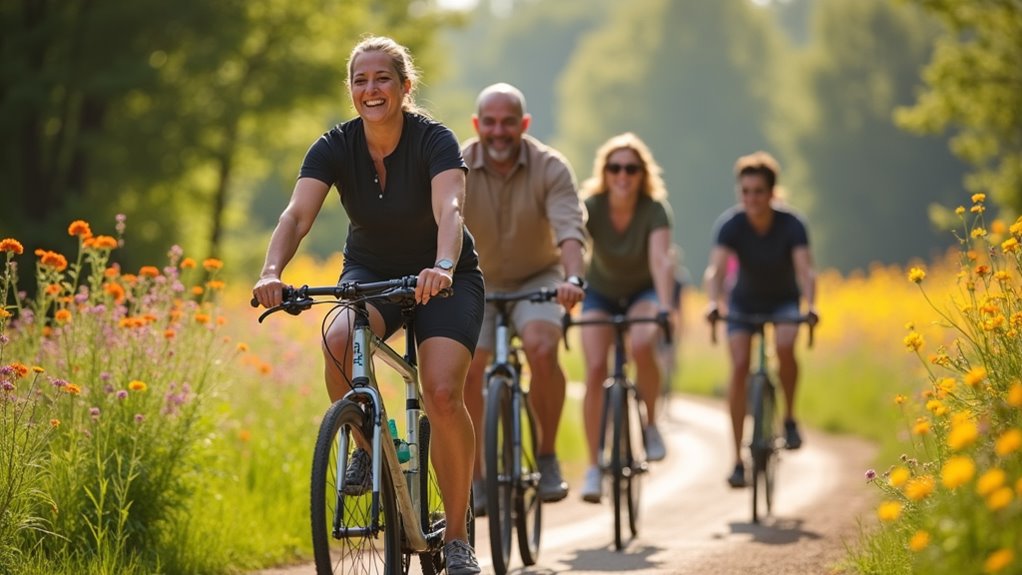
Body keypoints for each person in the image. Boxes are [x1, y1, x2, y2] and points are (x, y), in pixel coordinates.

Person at [251, 35, 483, 574]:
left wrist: (443, 267)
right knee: (337, 339)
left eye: (382, 79)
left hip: (444, 276)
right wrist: (271, 272)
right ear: (351, 89)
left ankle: (455, 536)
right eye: (361, 80)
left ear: (405, 87)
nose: (371, 89)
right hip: (373, 272)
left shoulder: (434, 140)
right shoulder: (334, 145)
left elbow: (451, 207)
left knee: (444, 393)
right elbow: (295, 216)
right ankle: (366, 442)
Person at [461, 83, 587, 513]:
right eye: (490, 123)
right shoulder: (456, 164)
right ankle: (477, 478)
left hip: (539, 277)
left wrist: (573, 278)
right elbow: (440, 220)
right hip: (475, 280)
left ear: (524, 125)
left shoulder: (550, 166)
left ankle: (548, 456)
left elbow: (570, 228)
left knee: (541, 345)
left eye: (508, 122)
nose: (499, 132)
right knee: (468, 367)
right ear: (477, 125)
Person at [703, 151, 818, 489]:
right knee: (739, 367)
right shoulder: (731, 225)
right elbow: (717, 270)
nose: (751, 198)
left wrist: (811, 305)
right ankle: (737, 460)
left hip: (783, 301)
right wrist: (713, 302)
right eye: (745, 191)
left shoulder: (792, 224)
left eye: (758, 191)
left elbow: (805, 269)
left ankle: (790, 418)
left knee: (784, 347)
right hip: (743, 302)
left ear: (772, 192)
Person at [576, 132, 677, 503]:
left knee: (641, 342)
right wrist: (566, 288)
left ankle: (651, 425)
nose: (623, 175)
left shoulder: (654, 209)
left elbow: (660, 260)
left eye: (631, 169)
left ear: (642, 174)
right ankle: (592, 466)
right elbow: (573, 247)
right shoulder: (593, 206)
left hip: (642, 292)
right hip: (601, 293)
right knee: (594, 368)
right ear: (605, 172)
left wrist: (664, 305)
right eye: (615, 167)